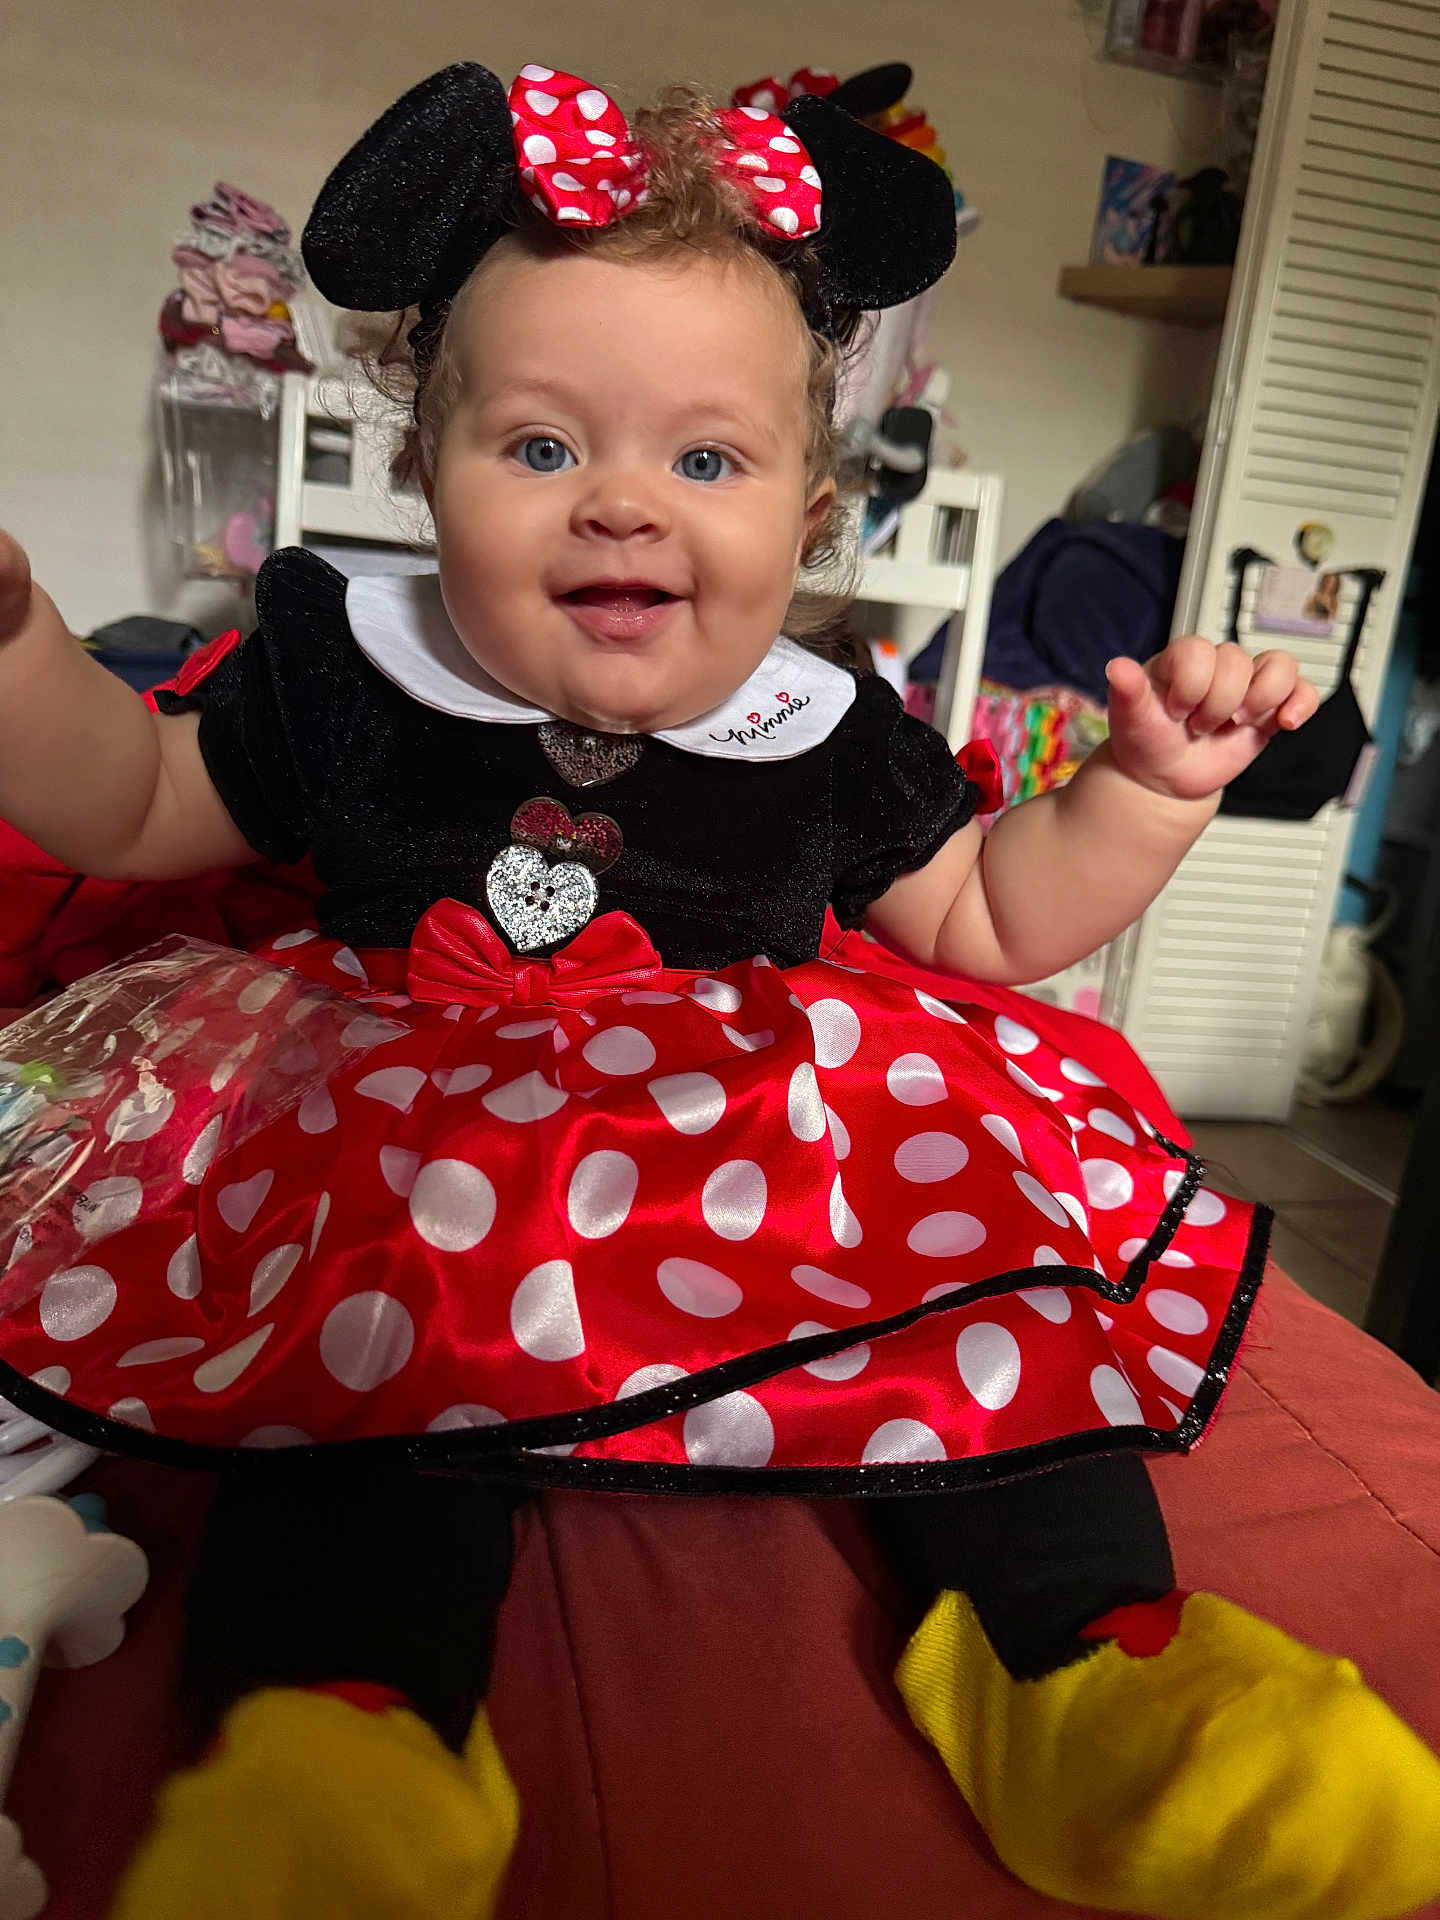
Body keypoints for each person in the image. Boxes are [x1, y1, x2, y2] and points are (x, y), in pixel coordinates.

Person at [0, 61, 1436, 1920]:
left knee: (984, 1299)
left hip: (754, 1133)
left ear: (812, 507)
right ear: (428, 476)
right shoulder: (350, 672)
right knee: (363, 1355)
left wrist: (1145, 790)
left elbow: (990, 918)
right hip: (420, 1102)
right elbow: (129, 808)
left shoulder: (824, 728)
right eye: (538, 449)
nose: (621, 508)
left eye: (706, 459)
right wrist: (27, 651)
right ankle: (340, 1732)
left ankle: (1089, 1669)